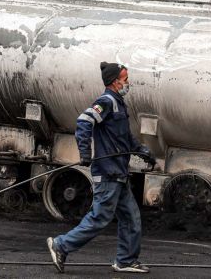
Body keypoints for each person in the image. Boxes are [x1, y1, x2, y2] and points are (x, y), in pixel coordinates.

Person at [46, 62, 155, 274]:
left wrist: (141, 150)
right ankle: (60, 245)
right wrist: (85, 152)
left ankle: (125, 261)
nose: (128, 83)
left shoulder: (119, 104)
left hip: (119, 173)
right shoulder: (106, 101)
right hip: (107, 173)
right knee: (99, 218)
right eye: (125, 79)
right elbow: (84, 121)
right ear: (115, 82)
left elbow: (124, 138)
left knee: (131, 218)